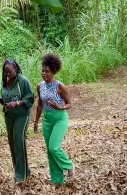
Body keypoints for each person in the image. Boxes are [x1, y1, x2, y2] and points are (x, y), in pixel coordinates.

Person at [33, 53, 75, 185]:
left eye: (47, 71)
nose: (44, 73)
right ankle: (57, 180)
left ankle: (69, 166)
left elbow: (69, 104)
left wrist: (60, 107)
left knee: (54, 147)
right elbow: (40, 105)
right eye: (42, 71)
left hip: (59, 119)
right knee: (50, 152)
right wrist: (36, 122)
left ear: (53, 71)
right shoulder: (40, 86)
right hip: (47, 120)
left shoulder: (60, 86)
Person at [0, 59, 34, 183]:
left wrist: (17, 103)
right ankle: (20, 170)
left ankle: (22, 175)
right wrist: (0, 100)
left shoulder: (23, 81)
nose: (7, 74)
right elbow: (6, 98)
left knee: (19, 141)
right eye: (5, 72)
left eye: (9, 72)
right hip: (9, 115)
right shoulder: (5, 81)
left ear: (16, 69)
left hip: (22, 115)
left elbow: (30, 99)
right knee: (12, 142)